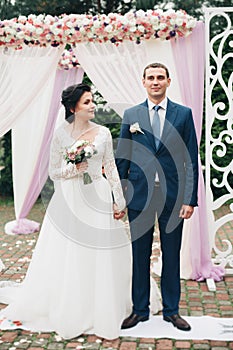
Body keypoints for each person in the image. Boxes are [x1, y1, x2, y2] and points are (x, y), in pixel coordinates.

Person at [0, 83, 132, 340]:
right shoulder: (61, 134)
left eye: (93, 101)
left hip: (99, 195)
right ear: (73, 108)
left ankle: (104, 303)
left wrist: (119, 201)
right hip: (69, 200)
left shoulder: (104, 132)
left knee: (101, 250)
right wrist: (75, 168)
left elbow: (112, 169)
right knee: (71, 252)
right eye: (87, 102)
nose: (93, 105)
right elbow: (53, 172)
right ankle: (74, 303)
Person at [115, 63, 198, 331]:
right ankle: (139, 310)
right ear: (143, 81)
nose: (155, 82)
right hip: (139, 195)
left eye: (160, 77)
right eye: (150, 78)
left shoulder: (184, 115)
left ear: (168, 81)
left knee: (171, 253)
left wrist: (190, 198)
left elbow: (191, 160)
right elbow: (122, 159)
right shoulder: (131, 115)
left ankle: (172, 311)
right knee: (139, 254)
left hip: (173, 196)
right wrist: (119, 197)